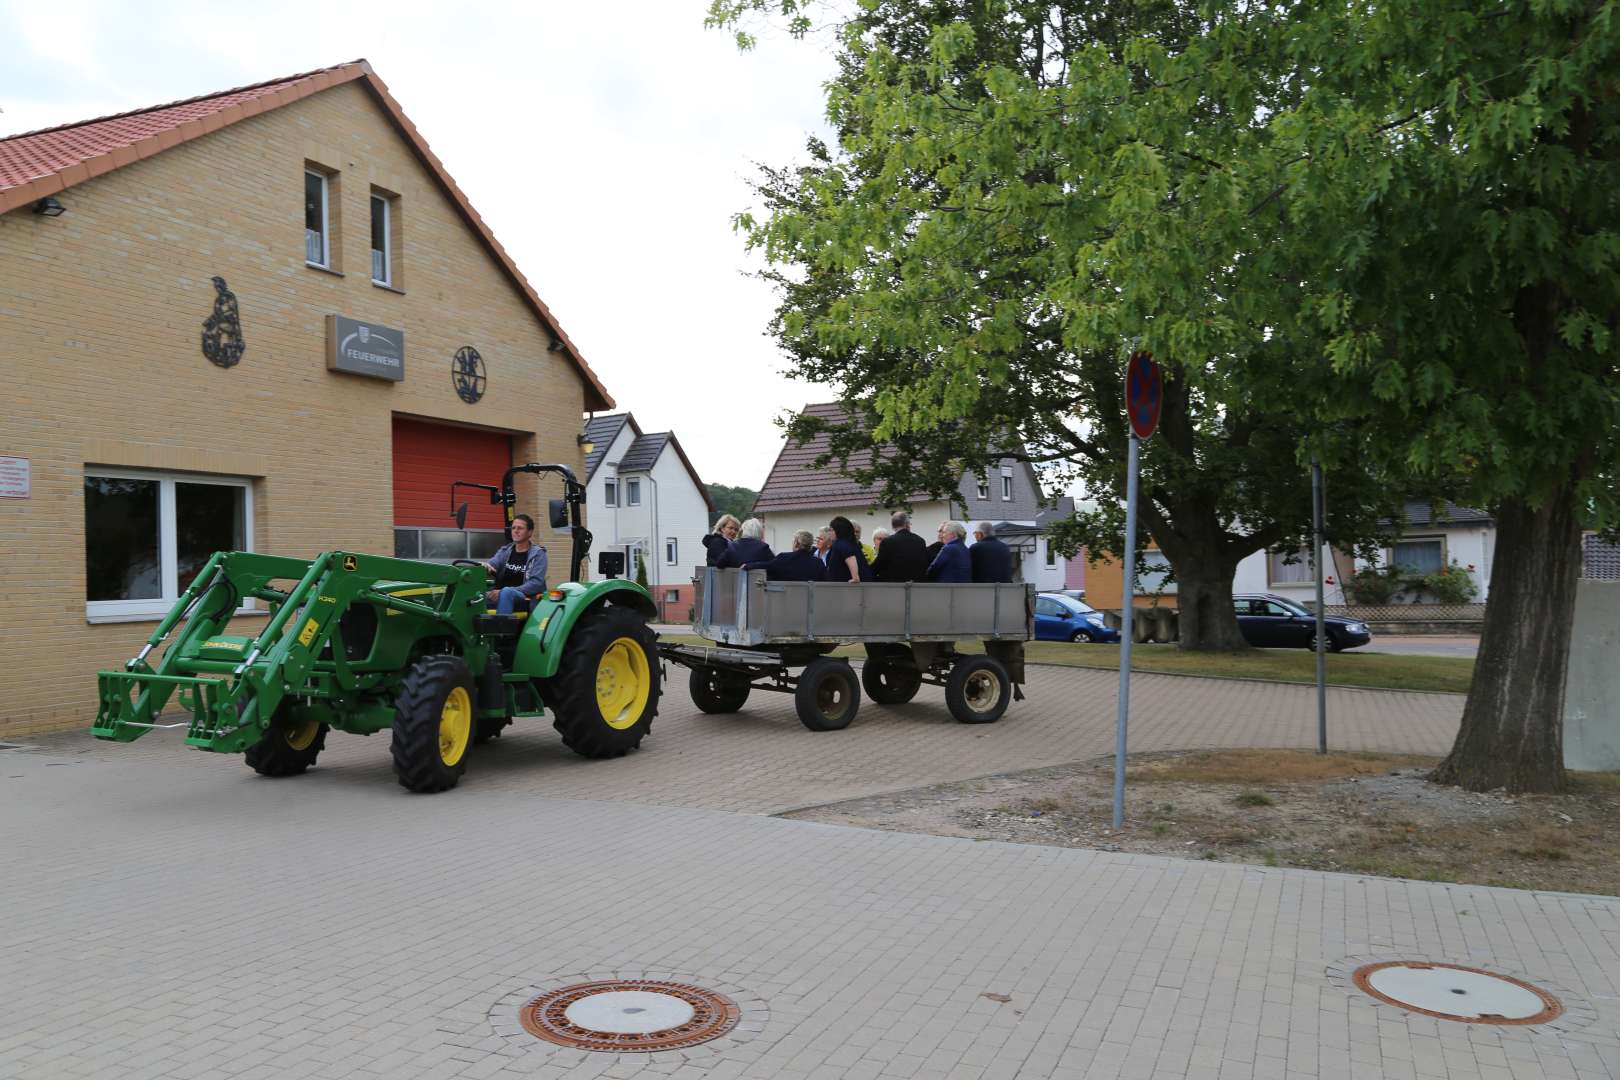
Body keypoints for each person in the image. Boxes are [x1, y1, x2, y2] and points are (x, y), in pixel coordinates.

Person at [485, 514, 547, 614]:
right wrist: (485, 566)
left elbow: (536, 584)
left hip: (525, 597)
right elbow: (493, 563)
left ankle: (502, 627)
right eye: (513, 528)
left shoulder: (538, 554)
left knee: (506, 592)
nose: (515, 531)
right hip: (500, 593)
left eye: (520, 528)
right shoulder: (505, 550)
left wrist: (504, 591)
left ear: (529, 532)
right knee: (474, 597)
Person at [744, 530, 827, 581]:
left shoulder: (784, 558)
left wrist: (747, 565)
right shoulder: (818, 563)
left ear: (796, 543)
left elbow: (766, 566)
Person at [872, 510, 930, 583]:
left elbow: (878, 565)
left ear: (893, 526)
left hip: (894, 587)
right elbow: (924, 564)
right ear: (907, 524)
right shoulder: (920, 541)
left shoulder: (888, 542)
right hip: (916, 586)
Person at [826, 516, 874, 582]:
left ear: (838, 531)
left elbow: (850, 557)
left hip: (846, 588)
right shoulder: (852, 544)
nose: (829, 533)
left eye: (831, 530)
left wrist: (855, 578)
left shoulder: (840, 543)